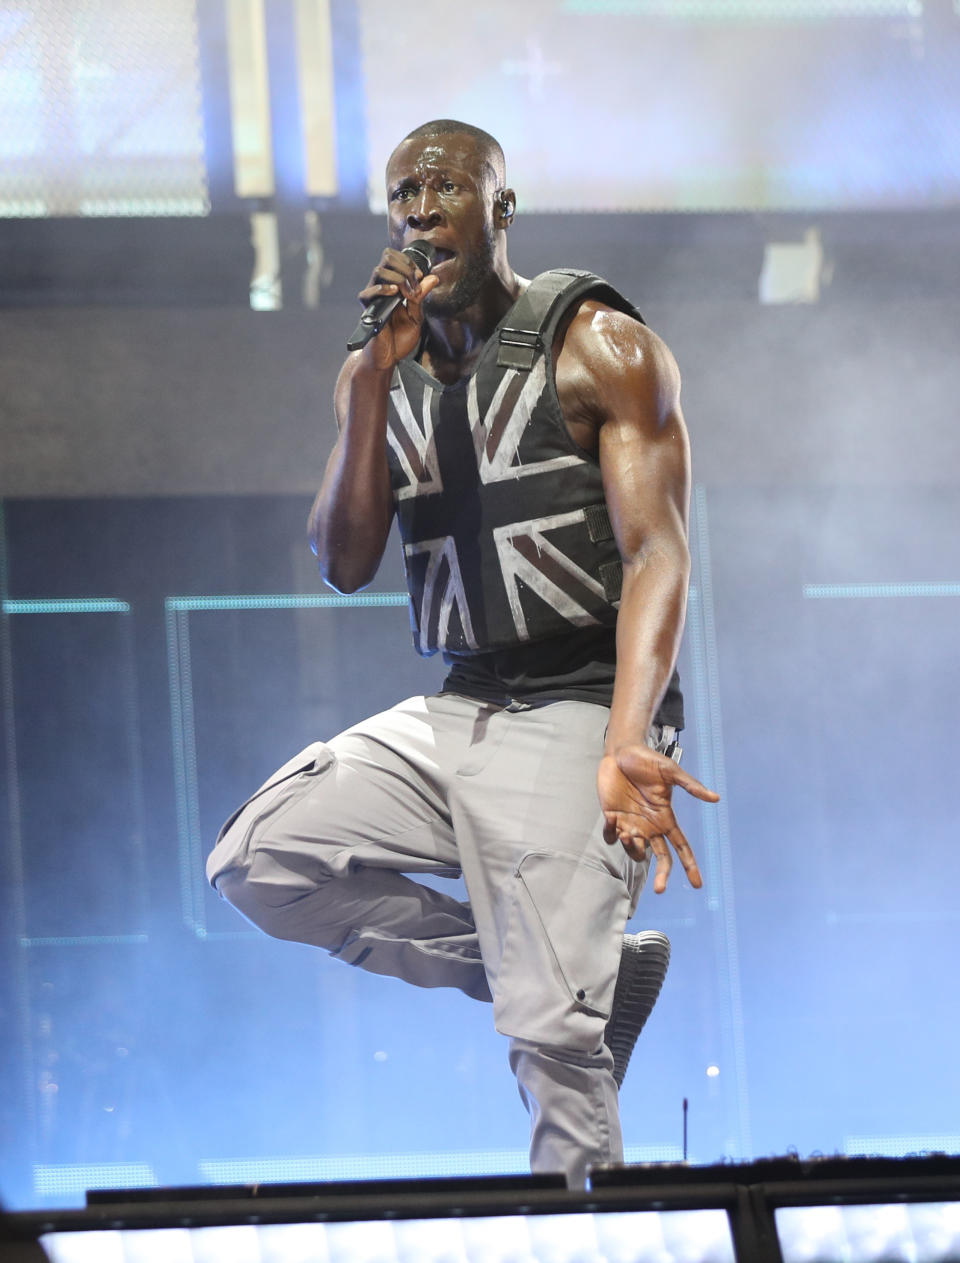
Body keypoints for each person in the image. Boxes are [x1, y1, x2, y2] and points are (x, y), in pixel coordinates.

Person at [206, 120, 718, 1188]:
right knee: (262, 859)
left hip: (582, 705)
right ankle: (563, 971)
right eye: (403, 191)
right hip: (465, 704)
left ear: (501, 208)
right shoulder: (381, 372)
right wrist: (360, 391)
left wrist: (630, 733)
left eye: (446, 185)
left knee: (552, 1047)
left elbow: (659, 552)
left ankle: (577, 1228)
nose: (420, 205)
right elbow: (344, 560)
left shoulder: (599, 345)